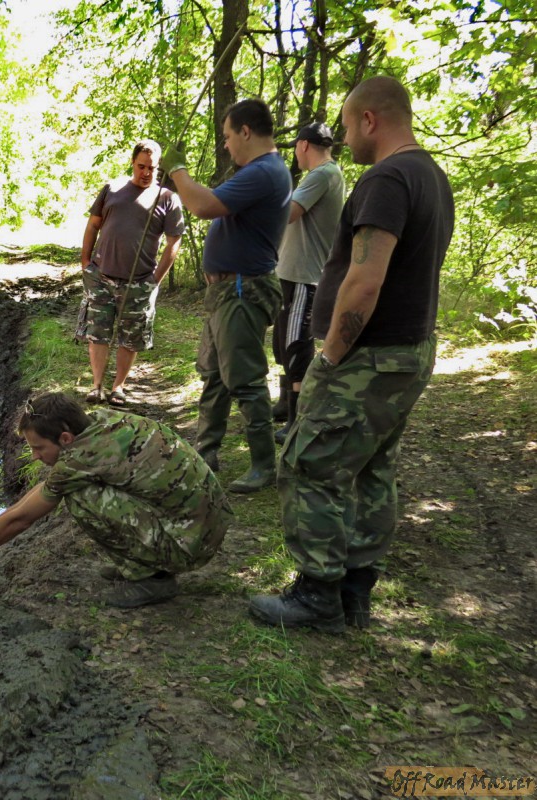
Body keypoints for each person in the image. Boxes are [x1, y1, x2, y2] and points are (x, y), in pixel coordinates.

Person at [249, 76, 455, 633]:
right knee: (372, 466)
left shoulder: (388, 178)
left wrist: (330, 356)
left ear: (370, 119)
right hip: (409, 351)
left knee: (309, 462)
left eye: (346, 125)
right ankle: (355, 592)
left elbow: (365, 279)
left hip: (368, 358)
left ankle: (318, 595)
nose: (344, 137)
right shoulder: (432, 176)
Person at [0, 391, 232, 609]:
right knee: (71, 487)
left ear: (65, 438)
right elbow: (47, 487)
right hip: (201, 524)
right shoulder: (102, 422)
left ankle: (153, 579)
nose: (36, 456)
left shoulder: (81, 459)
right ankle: (144, 561)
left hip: (188, 544)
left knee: (80, 497)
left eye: (39, 448)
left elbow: (24, 519)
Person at [163, 99, 291, 493]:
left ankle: (263, 465)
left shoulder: (265, 171)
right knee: (215, 376)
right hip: (227, 291)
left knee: (245, 380)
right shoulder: (260, 171)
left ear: (245, 132)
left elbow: (203, 205)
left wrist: (178, 170)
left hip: (242, 291)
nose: (226, 144)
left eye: (228, 136)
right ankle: (207, 452)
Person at [78, 140, 184, 408]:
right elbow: (93, 226)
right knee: (98, 333)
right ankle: (97, 385)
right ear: (132, 163)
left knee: (130, 338)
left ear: (159, 168)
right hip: (100, 277)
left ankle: (118, 387)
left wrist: (155, 280)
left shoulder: (167, 198)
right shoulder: (112, 189)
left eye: (152, 168)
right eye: (141, 166)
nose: (146, 172)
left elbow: (174, 242)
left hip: (139, 282)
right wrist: (85, 262)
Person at [271, 122, 346, 443]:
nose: (296, 155)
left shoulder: (323, 174)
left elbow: (287, 213)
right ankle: (285, 403)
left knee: (296, 345)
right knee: (283, 342)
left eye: (296, 149)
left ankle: (297, 419)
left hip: (305, 277)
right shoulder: (325, 174)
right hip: (292, 274)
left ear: (303, 145)